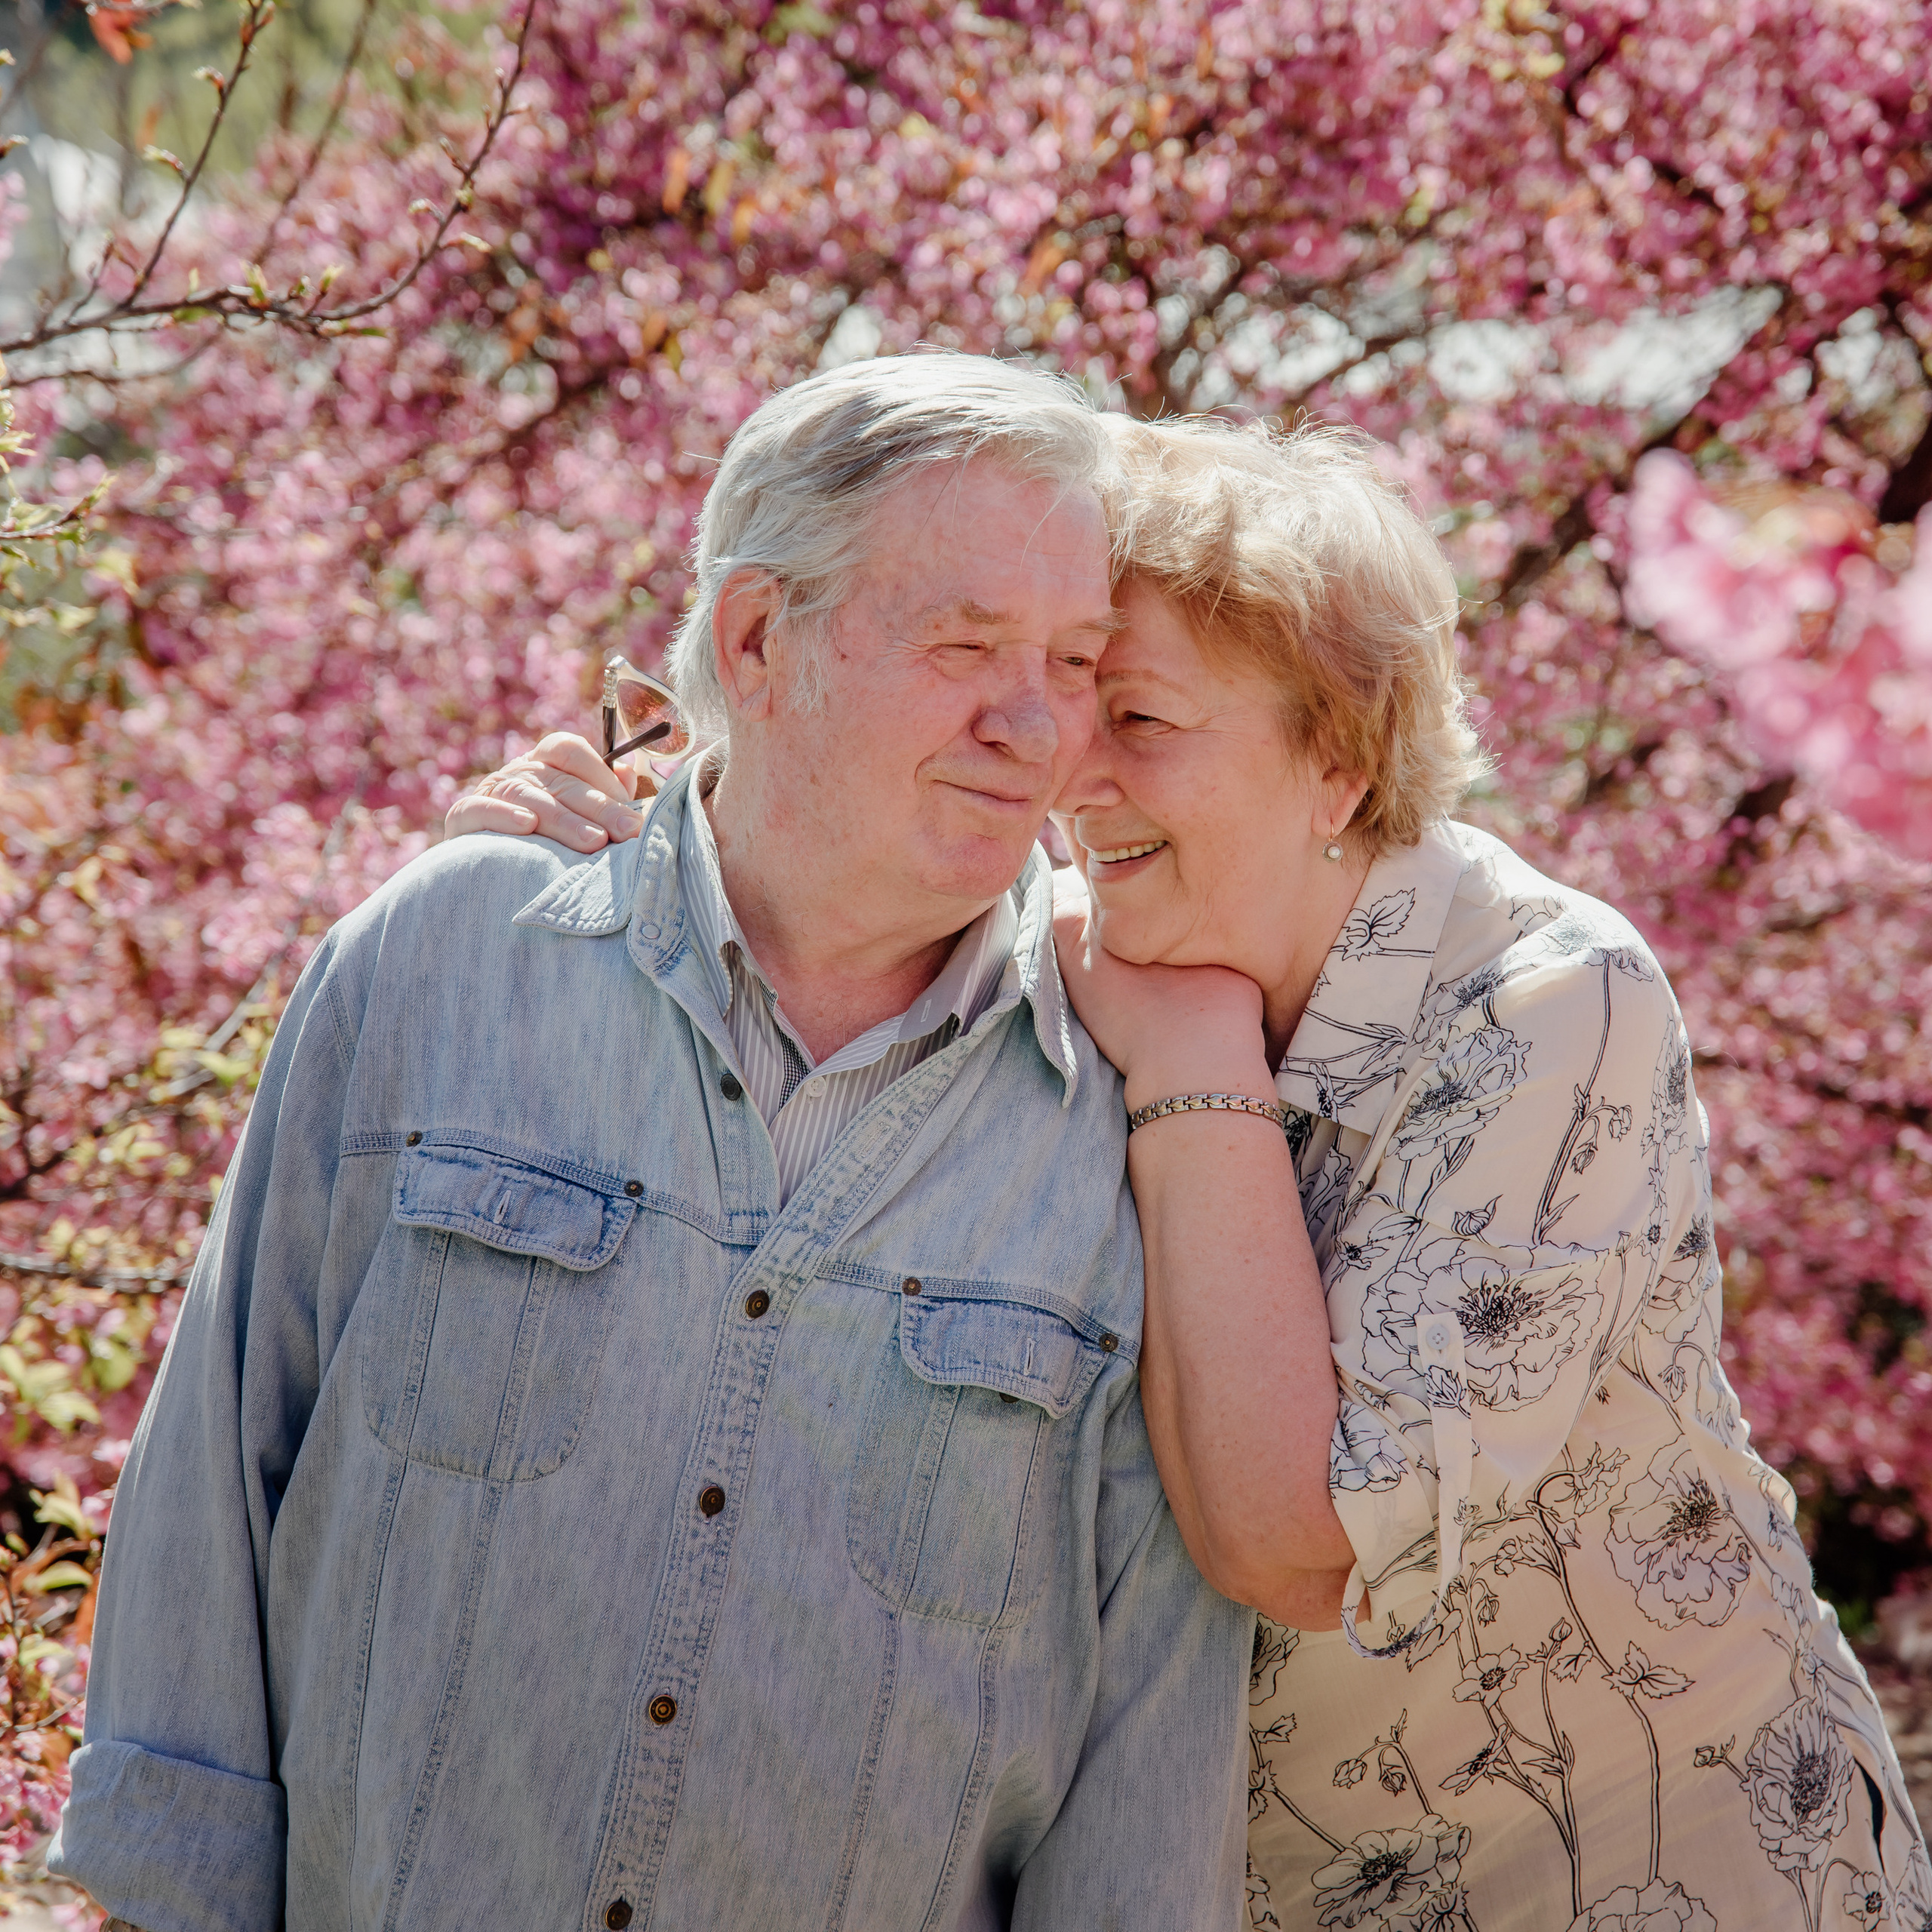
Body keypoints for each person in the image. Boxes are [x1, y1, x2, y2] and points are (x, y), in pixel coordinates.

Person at [468, 412, 1931, 1932]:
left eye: (1143, 724)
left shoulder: (1548, 1002)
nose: (1067, 772)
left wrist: (1189, 1069)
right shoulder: (1081, 944)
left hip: (1662, 1873)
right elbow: (797, 921)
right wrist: (580, 852)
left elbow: (1298, 1536)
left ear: (1336, 766)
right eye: (1067, 704)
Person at [49, 355, 1254, 1932]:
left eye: (1076, 659)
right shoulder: (442, 959)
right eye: (964, 644)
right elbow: (217, 1477)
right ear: (756, 638)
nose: (1035, 723)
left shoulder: (1130, 1113)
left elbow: (1144, 1754)